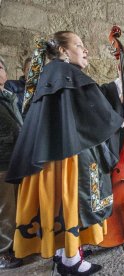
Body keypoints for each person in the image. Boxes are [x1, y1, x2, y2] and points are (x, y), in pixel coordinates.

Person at [5, 31, 124, 275]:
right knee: (70, 204)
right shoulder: (65, 73)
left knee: (60, 208)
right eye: (79, 45)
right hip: (66, 159)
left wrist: (117, 83)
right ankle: (71, 261)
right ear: (63, 51)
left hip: (52, 156)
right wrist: (120, 122)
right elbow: (93, 107)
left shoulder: (54, 74)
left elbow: (88, 98)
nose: (86, 51)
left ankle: (64, 255)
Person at [0, 56, 23, 269]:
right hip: (2, 161)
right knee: (4, 210)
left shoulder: (9, 96)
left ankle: (16, 245)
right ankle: (2, 253)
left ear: (6, 74)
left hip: (16, 158)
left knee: (14, 207)